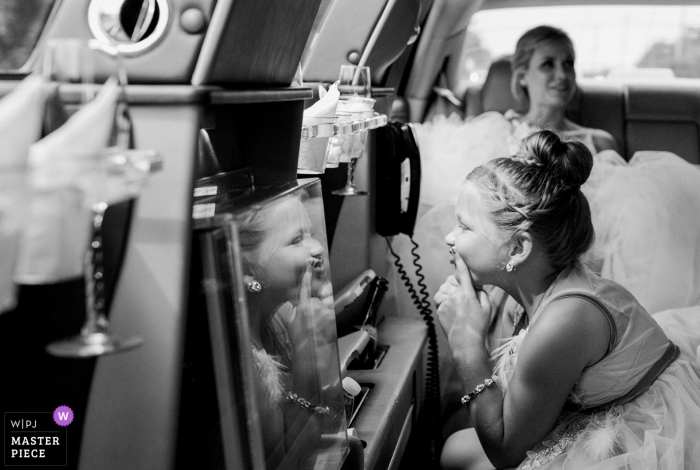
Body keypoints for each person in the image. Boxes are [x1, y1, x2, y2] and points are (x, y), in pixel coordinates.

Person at [435, 130, 700, 470]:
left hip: (639, 429)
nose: (449, 237)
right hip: (589, 410)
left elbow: (506, 451)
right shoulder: (530, 289)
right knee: (455, 447)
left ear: (518, 249)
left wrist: (466, 341)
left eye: (464, 227)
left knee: (459, 455)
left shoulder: (565, 319)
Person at [236, 193, 344, 470]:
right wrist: (306, 358)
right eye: (297, 240)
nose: (317, 248)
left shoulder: (281, 317)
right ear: (247, 269)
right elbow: (290, 461)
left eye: (311, 234)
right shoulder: (245, 360)